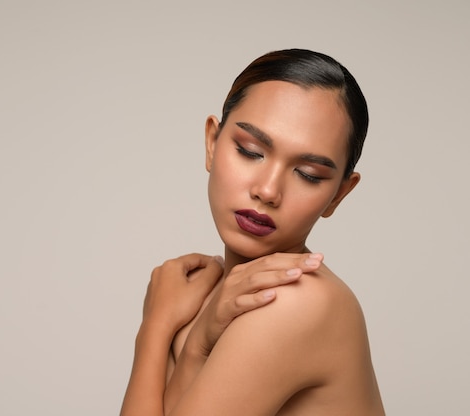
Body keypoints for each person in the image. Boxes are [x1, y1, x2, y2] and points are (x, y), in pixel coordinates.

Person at [120, 49, 385, 415]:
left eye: (308, 174)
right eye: (250, 151)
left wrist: (156, 331)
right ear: (212, 142)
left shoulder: (296, 302)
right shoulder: (202, 297)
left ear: (339, 193)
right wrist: (164, 328)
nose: (268, 190)